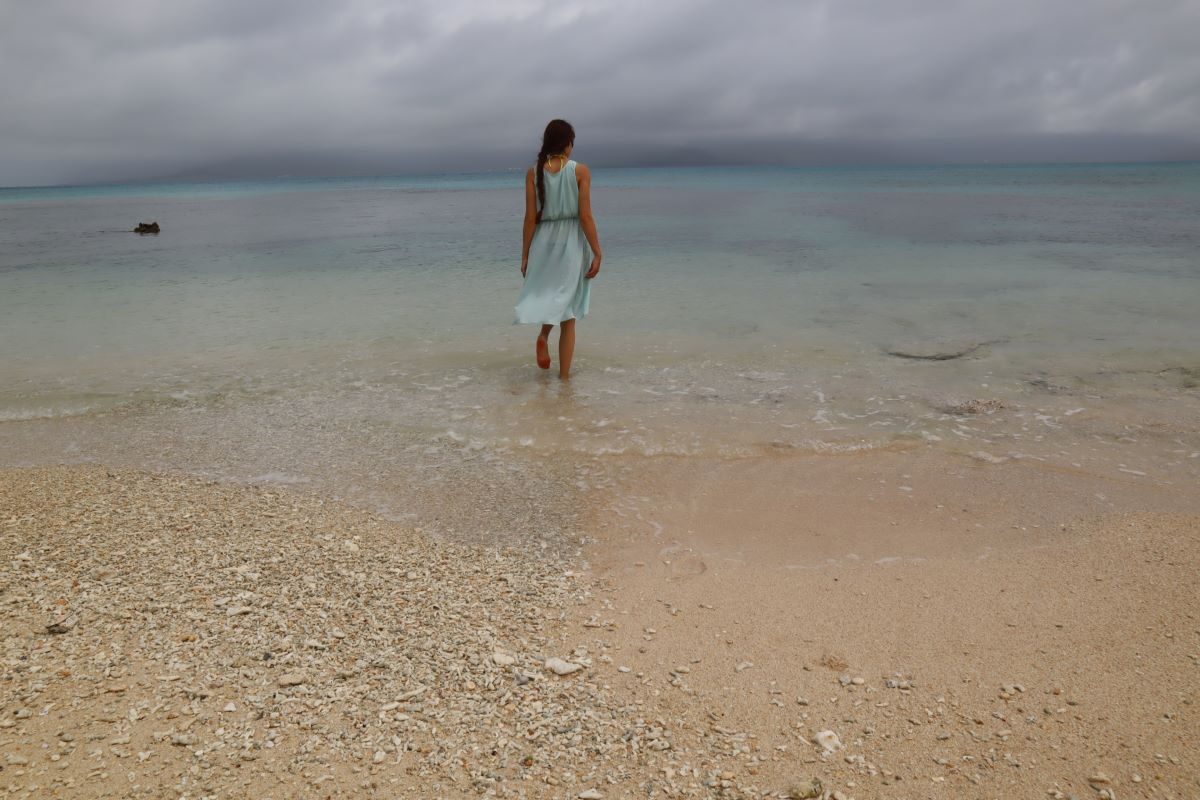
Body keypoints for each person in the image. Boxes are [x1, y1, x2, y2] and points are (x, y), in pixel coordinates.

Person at [514, 119, 602, 379]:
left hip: (543, 241)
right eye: (571, 142)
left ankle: (542, 336)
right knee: (569, 313)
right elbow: (585, 216)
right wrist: (598, 251)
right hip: (570, 242)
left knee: (552, 297)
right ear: (567, 144)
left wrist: (525, 254)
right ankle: (564, 380)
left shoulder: (534, 172)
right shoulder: (580, 171)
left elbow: (530, 218)